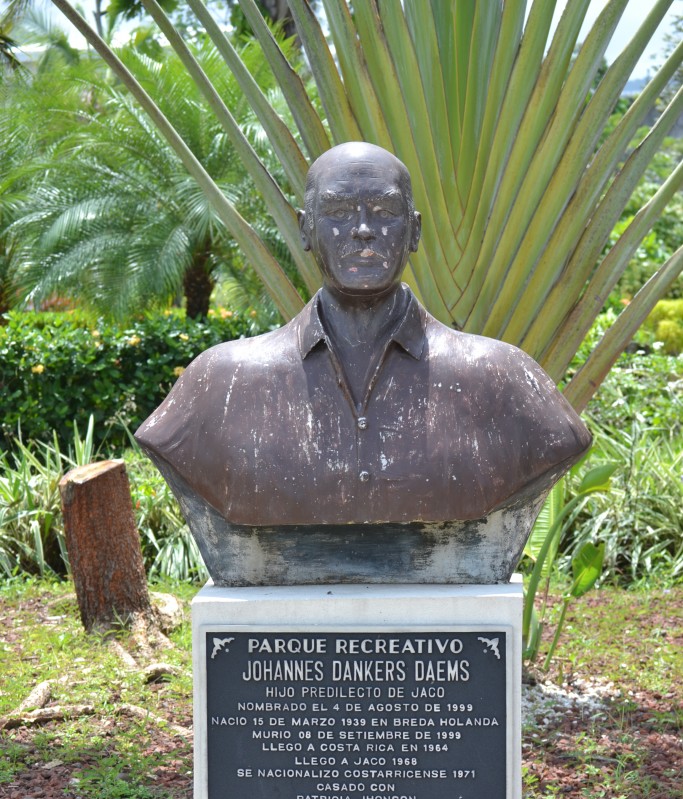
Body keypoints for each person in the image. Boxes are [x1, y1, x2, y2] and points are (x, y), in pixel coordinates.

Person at [136, 142, 590, 528]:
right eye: (336, 211)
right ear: (305, 229)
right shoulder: (217, 385)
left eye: (384, 212)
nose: (363, 230)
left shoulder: (503, 382)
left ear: (413, 231)